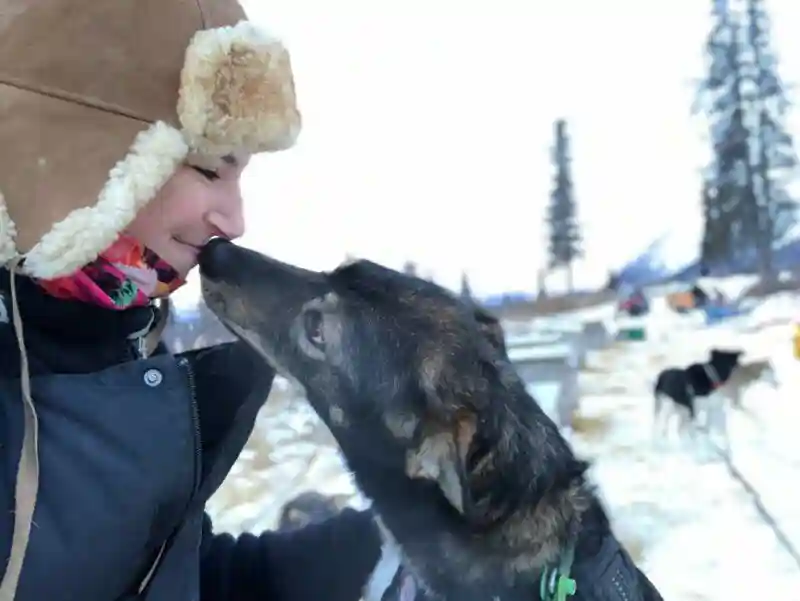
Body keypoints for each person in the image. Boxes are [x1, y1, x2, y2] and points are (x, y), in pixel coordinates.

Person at [0, 1, 380, 600]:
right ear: (82, 153)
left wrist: (386, 547)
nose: (235, 219)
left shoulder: (114, 349)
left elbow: (173, 579)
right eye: (207, 169)